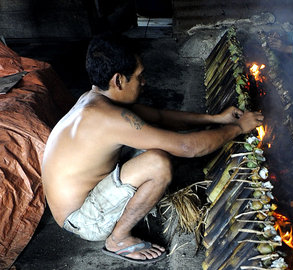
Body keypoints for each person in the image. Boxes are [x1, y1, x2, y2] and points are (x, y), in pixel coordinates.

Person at [41, 34, 263, 263]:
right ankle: (117, 239)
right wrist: (238, 128)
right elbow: (188, 147)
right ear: (118, 80)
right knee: (158, 163)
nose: (144, 81)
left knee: (159, 137)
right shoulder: (108, 118)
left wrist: (216, 119)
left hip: (76, 205)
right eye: (139, 76)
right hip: (82, 220)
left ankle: (124, 218)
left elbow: (160, 117)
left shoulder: (93, 99)